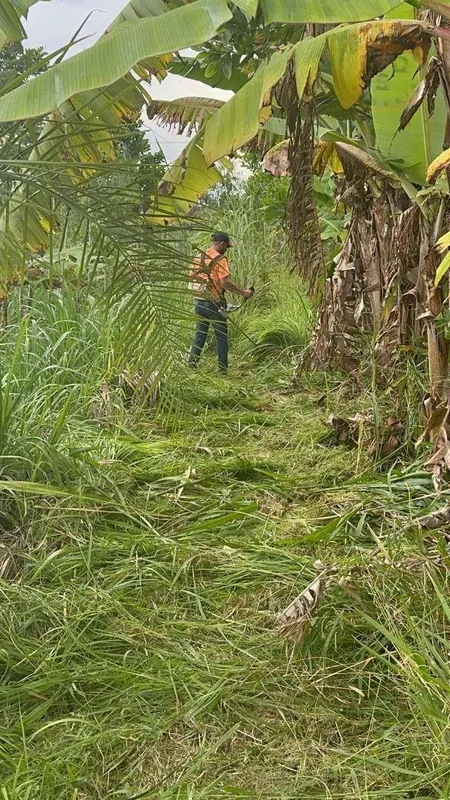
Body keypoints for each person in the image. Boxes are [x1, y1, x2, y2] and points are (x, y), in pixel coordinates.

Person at [187, 232, 253, 374]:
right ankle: (222, 370)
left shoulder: (199, 256)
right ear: (222, 244)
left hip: (199, 301)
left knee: (200, 335)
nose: (226, 249)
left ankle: (191, 365)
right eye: (226, 246)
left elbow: (190, 276)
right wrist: (244, 293)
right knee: (221, 337)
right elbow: (225, 283)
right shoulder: (221, 259)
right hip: (215, 303)